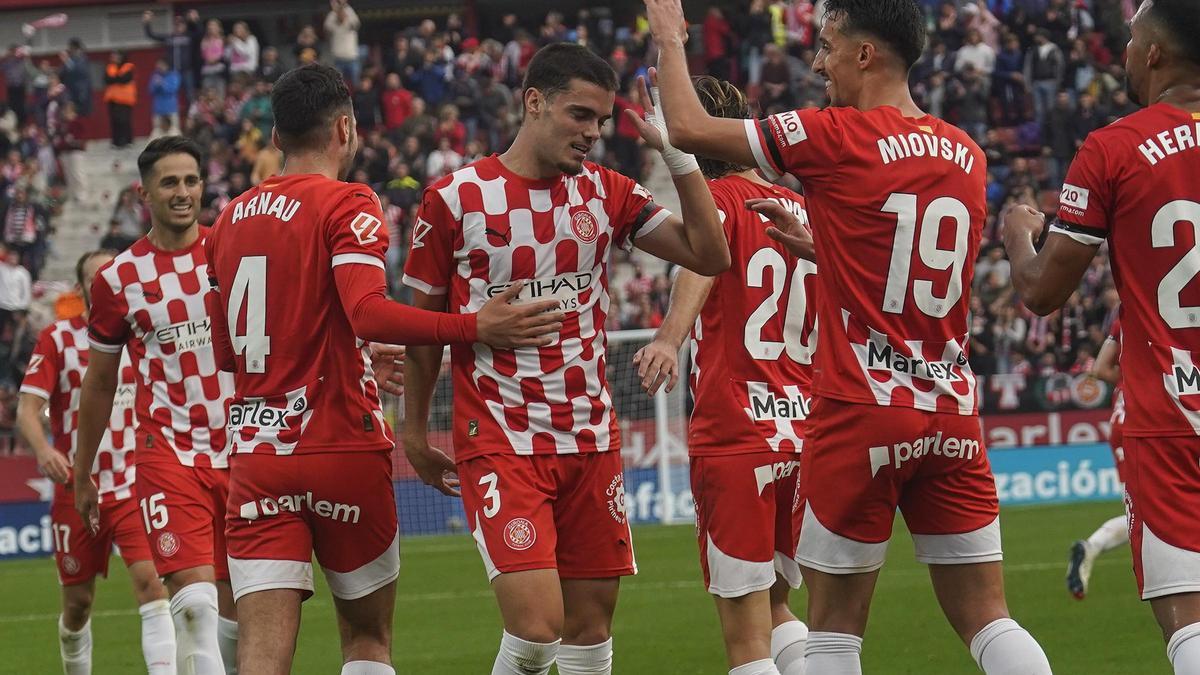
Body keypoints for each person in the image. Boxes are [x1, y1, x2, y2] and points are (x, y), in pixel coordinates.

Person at [643, 1, 1052, 673]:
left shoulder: (834, 134)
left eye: (828, 45)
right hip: (951, 410)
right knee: (989, 617)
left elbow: (686, 126)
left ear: (866, 54)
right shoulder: (967, 155)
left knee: (832, 634)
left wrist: (669, 39)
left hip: (859, 410)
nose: (817, 60)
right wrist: (823, 248)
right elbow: (901, 267)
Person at [204, 62, 562, 675]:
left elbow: (228, 349)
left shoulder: (227, 221)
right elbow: (367, 311)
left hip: (258, 454)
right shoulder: (350, 202)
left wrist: (344, 348)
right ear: (345, 128)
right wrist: (474, 326)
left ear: (275, 137)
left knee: (262, 653)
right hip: (340, 445)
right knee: (367, 642)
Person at [402, 42, 728, 675]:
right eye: (580, 115)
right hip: (500, 437)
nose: (593, 134)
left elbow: (709, 256)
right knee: (535, 632)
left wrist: (678, 154)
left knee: (589, 631)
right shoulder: (455, 199)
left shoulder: (607, 193)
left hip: (589, 437)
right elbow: (420, 331)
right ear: (534, 102)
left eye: (602, 121)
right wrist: (413, 431)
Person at [1001, 1, 1200, 669]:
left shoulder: (1113, 147)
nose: (1121, 52)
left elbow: (1042, 292)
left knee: (1191, 628)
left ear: (1152, 54)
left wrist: (1016, 236)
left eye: (1132, 39)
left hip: (1172, 421)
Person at [632, 75, 813, 675]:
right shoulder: (804, 211)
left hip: (738, 428)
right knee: (779, 602)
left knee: (744, 637)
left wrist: (668, 335)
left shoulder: (720, 204)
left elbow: (705, 264)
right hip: (805, 430)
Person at [74, 137, 239, 675]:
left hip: (243, 450)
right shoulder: (117, 279)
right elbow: (98, 385)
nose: (184, 192)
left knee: (237, 616)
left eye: (191, 180)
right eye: (170, 182)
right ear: (143, 192)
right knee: (193, 606)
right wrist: (83, 472)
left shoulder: (232, 253)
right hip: (167, 453)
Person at [16, 250, 176, 675]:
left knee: (152, 586)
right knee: (78, 605)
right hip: (77, 488)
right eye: (97, 276)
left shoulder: (142, 333)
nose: (107, 280)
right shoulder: (58, 339)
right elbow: (28, 409)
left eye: (112, 273)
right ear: (83, 288)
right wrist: (44, 449)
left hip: (133, 485)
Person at [1066, 316, 1128, 600]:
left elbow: (1101, 368)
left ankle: (1091, 547)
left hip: (1123, 418)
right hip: (1152, 420)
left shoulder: (1125, 314)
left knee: (1146, 510)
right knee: (1152, 512)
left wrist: (1132, 385)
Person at [103, 51, 135, 149]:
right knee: (114, 121)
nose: (114, 58)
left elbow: (125, 79)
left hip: (125, 100)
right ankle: (116, 142)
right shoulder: (109, 67)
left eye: (116, 56)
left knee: (124, 121)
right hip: (112, 99)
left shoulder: (128, 67)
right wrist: (117, 78)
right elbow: (106, 79)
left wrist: (115, 78)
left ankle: (127, 141)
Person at [325, 0, 362, 83]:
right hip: (338, 59)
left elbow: (357, 23)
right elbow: (326, 28)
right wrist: (336, 10)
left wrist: (343, 5)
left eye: (343, 13)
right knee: (338, 84)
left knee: (356, 83)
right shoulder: (332, 20)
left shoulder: (349, 21)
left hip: (352, 58)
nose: (342, 14)